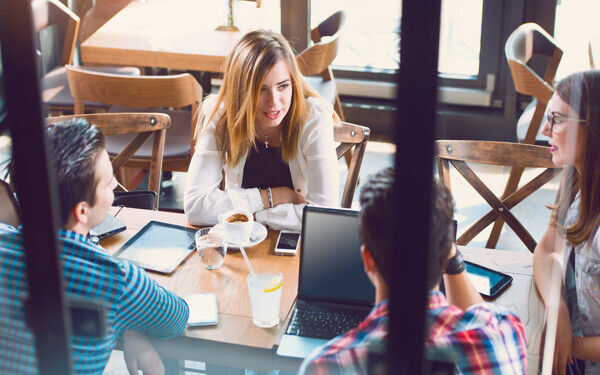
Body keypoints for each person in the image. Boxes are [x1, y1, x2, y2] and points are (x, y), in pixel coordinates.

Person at [0, 119, 189, 374]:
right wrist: (131, 322)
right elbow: (176, 319)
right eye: (108, 181)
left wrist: (127, 325)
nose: (114, 186)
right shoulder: (118, 279)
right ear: (81, 211)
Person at [299, 168, 527, 374]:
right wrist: (450, 255)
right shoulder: (505, 332)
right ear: (445, 251)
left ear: (367, 260)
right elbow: (474, 316)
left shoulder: (326, 365)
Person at [184, 30, 339, 231]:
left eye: (283, 86)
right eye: (260, 89)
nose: (274, 102)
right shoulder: (222, 115)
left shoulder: (313, 117)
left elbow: (324, 217)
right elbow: (195, 207)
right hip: (241, 241)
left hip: (293, 242)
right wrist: (275, 196)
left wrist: (256, 215)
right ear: (241, 90)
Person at [533, 70, 600, 375]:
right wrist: (556, 307)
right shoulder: (576, 175)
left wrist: (567, 345)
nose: (545, 129)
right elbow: (547, 249)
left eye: (557, 119)